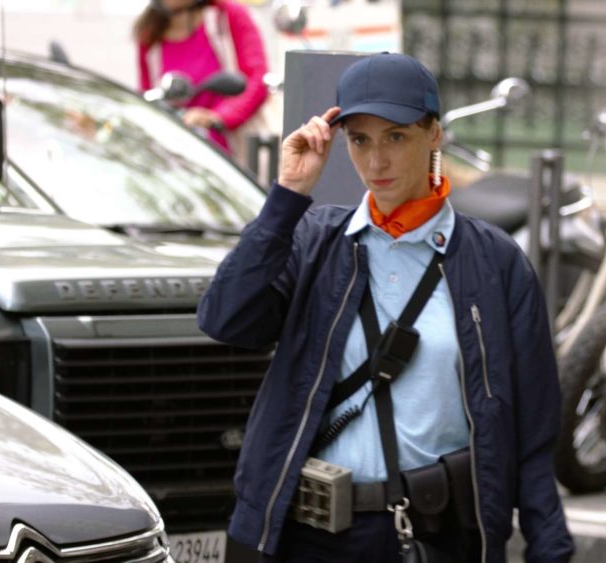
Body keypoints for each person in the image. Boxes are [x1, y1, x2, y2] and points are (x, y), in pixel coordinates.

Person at [197, 53, 574, 562]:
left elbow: (533, 429)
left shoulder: (495, 262)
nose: (377, 162)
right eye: (360, 140)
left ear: (433, 134)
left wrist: (550, 550)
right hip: (305, 540)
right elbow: (226, 319)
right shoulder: (314, 240)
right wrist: (287, 197)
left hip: (434, 539)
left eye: (396, 137)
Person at [134, 0, 268, 156]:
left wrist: (217, 117)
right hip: (178, 154)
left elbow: (257, 80)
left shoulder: (226, 16)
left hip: (232, 152)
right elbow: (148, 96)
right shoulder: (149, 33)